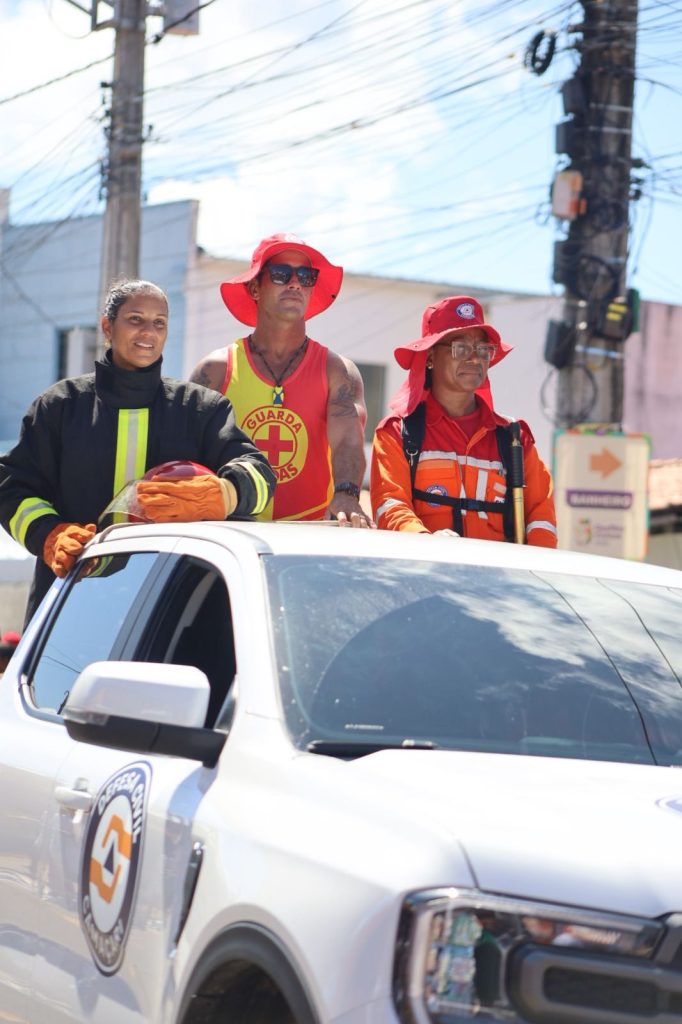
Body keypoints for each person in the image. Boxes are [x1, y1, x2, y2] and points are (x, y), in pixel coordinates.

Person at [0, 278, 276, 626]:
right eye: (135, 319)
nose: (149, 331)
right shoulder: (59, 406)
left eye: (159, 322)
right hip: (70, 601)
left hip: (165, 613)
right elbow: (11, 488)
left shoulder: (202, 409)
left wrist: (226, 493)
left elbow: (262, 474)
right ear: (107, 326)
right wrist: (49, 534)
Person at [189, 233, 373, 527]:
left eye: (306, 276)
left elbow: (348, 440)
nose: (295, 283)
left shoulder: (337, 370)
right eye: (281, 273)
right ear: (254, 288)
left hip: (309, 532)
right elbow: (191, 451)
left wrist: (348, 493)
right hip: (230, 531)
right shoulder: (216, 371)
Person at [370, 296, 557, 545]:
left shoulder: (515, 438)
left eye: (483, 349)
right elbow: (390, 506)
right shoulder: (397, 433)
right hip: (426, 577)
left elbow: (542, 517)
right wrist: (426, 542)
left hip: (500, 581)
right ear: (429, 358)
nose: (475, 358)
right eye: (460, 348)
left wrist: (532, 568)